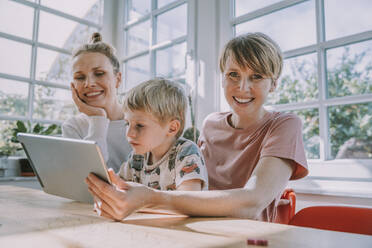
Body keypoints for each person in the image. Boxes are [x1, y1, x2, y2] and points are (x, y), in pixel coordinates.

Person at [85, 32, 308, 222]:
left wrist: (150, 198)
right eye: (233, 74)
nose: (242, 87)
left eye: (256, 77)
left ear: (274, 83)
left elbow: (252, 203)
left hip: (249, 238)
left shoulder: (284, 125)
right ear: (222, 77)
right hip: (195, 229)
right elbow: (188, 183)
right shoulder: (211, 124)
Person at [117, 78, 208, 192]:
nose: (129, 133)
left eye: (140, 125)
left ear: (172, 128)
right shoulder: (137, 157)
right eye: (127, 123)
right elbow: (117, 189)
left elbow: (190, 201)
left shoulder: (186, 153)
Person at [62, 32, 131, 172]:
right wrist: (98, 118)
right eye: (80, 77)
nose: (89, 83)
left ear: (117, 79)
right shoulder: (73, 126)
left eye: (99, 74)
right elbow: (87, 175)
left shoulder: (142, 121)